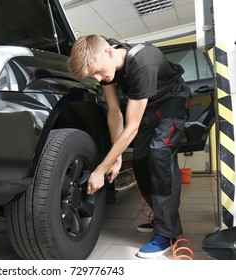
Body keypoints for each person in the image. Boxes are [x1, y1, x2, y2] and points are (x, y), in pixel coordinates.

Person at [68, 34, 191, 258]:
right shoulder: (106, 71)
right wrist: (116, 157)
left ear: (108, 52)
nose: (98, 78)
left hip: (172, 101)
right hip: (149, 107)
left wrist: (101, 169)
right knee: (141, 162)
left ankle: (168, 233)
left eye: (97, 71)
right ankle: (162, 218)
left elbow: (132, 126)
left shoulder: (143, 61)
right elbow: (115, 112)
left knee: (159, 155)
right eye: (92, 76)